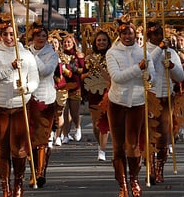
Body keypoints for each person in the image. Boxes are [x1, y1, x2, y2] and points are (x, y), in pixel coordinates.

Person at [0, 15, 39, 197]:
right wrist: (11, 66)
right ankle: (5, 187)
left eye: (11, 34)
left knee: (19, 148)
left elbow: (35, 79)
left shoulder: (26, 54)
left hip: (20, 106)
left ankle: (18, 185)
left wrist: (27, 88)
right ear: (0, 35)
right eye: (5, 34)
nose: (9, 38)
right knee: (3, 149)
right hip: (0, 106)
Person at [106, 18, 151, 197]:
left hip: (137, 102)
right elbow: (117, 77)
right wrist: (138, 69)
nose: (127, 36)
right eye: (124, 33)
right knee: (118, 146)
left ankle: (134, 179)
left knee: (132, 144)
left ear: (135, 34)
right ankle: (122, 183)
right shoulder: (112, 53)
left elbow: (152, 76)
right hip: (117, 102)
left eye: (130, 33)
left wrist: (149, 77)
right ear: (119, 34)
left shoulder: (143, 52)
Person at [145, 22, 184, 183]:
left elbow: (180, 76)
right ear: (149, 35)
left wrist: (173, 66)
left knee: (163, 135)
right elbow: (147, 65)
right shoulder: (142, 50)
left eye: (160, 33)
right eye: (154, 34)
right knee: (148, 136)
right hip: (146, 97)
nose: (158, 37)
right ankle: (151, 167)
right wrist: (159, 48)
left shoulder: (171, 52)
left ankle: (160, 168)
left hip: (165, 96)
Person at [25, 22, 58, 186]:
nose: (41, 39)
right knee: (29, 137)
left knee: (43, 137)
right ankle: (32, 170)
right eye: (38, 35)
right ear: (33, 37)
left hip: (45, 99)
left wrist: (32, 57)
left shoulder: (52, 54)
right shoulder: (25, 51)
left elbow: (45, 71)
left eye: (44, 36)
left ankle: (40, 172)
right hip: (27, 98)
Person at [83, 28, 113, 162]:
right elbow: (82, 75)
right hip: (93, 92)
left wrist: (98, 66)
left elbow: (110, 77)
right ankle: (100, 145)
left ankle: (102, 149)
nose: (101, 42)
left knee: (104, 122)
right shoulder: (89, 57)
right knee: (96, 125)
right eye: (99, 40)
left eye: (104, 40)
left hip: (107, 93)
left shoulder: (112, 56)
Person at [55, 34, 84, 145]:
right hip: (63, 86)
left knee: (74, 112)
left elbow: (82, 69)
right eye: (65, 42)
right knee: (64, 112)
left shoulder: (78, 55)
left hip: (75, 86)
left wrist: (73, 69)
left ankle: (77, 127)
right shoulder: (59, 55)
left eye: (69, 42)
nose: (66, 44)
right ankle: (65, 135)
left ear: (73, 44)